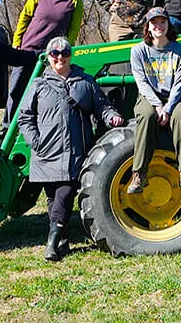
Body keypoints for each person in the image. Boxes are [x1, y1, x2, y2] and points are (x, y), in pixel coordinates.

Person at [17, 37, 124, 261]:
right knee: (53, 198)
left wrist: (112, 117)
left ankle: (51, 243)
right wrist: (35, 141)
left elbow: (102, 106)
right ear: (48, 57)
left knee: (65, 195)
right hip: (46, 151)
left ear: (70, 55)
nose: (60, 58)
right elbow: (25, 117)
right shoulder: (38, 84)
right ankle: (63, 241)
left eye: (64, 53)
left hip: (76, 151)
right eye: (55, 54)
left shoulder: (85, 81)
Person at [5, 0, 84, 127]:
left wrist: (63, 53)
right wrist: (17, 41)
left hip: (52, 56)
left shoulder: (75, 2)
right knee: (16, 89)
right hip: (27, 49)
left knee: (44, 93)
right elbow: (24, 17)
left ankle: (36, 126)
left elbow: (73, 31)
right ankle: (7, 127)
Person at [128, 7, 181, 195]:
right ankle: (139, 173)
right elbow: (141, 82)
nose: (158, 26)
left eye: (162, 22)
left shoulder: (179, 50)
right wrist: (157, 105)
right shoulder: (138, 51)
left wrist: (167, 108)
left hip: (173, 97)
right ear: (148, 27)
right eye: (154, 23)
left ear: (168, 24)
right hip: (149, 96)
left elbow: (179, 83)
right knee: (145, 115)